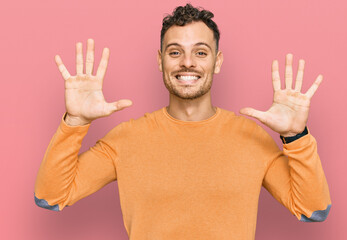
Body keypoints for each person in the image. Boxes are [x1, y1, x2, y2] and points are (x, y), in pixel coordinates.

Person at [34, 3, 331, 239]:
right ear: (160, 60)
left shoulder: (251, 139)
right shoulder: (126, 139)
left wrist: (296, 135)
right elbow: (51, 197)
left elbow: (312, 210)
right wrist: (74, 121)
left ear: (217, 62)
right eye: (175, 52)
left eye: (200, 52)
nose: (187, 62)